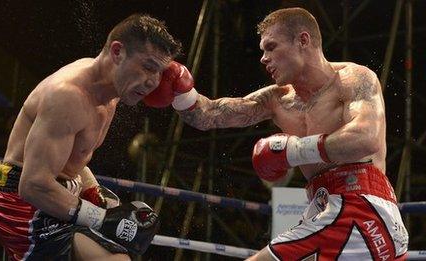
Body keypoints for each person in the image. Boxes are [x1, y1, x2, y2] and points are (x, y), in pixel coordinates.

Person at [143, 7, 409, 261]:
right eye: (262, 50)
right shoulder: (278, 100)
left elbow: (365, 138)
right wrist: (178, 90)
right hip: (327, 210)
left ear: (303, 40)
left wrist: (292, 151)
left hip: (361, 209)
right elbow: (209, 114)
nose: (263, 58)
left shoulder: (353, 79)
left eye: (271, 47)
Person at [0, 14, 182, 261]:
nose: (153, 81)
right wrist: (101, 218)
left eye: (160, 73)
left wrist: (98, 197)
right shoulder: (69, 96)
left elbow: (75, 159)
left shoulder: (111, 93)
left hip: (58, 191)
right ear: (117, 52)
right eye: (148, 67)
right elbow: (32, 184)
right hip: (22, 199)